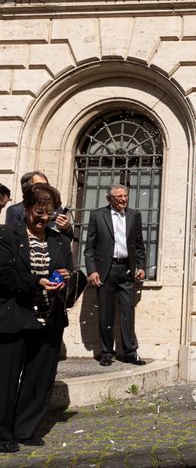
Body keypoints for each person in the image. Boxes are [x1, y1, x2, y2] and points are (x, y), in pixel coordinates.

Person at [0, 183, 73, 453]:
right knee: (5, 379)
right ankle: (2, 434)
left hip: (49, 318)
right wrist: (37, 282)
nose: (44, 219)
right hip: (14, 317)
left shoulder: (59, 240)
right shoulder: (7, 235)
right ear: (27, 209)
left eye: (49, 214)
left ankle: (26, 429)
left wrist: (65, 277)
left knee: (39, 379)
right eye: (39, 213)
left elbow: (69, 269)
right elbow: (5, 276)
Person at [84, 184, 146, 367]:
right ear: (109, 198)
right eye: (119, 196)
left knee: (128, 311)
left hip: (126, 269)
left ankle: (129, 352)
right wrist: (92, 270)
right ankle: (106, 353)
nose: (123, 199)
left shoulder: (135, 215)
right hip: (105, 270)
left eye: (125, 196)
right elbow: (89, 248)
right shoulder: (97, 215)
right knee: (105, 312)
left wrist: (141, 266)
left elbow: (139, 245)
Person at [5, 171, 72, 236]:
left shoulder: (57, 209)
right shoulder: (15, 210)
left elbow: (67, 239)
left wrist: (66, 228)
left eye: (46, 185)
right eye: (39, 186)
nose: (45, 217)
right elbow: (11, 236)